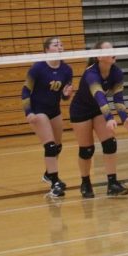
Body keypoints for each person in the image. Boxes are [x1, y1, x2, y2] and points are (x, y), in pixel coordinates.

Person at [69, 41, 128, 198]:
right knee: (87, 150)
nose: (113, 51)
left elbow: (118, 98)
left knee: (110, 143)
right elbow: (99, 96)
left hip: (98, 110)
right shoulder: (90, 74)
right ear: (99, 57)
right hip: (80, 110)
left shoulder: (117, 72)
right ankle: (85, 183)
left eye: (113, 48)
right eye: (108, 50)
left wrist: (125, 117)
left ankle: (112, 184)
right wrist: (109, 117)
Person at [22, 36, 74, 198]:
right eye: (55, 44)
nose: (59, 46)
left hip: (54, 110)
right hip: (38, 110)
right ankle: (55, 183)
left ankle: (48, 174)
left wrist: (66, 95)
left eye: (61, 44)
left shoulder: (67, 70)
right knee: (50, 147)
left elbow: (64, 95)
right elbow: (25, 91)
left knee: (58, 147)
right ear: (46, 50)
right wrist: (28, 112)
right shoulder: (37, 68)